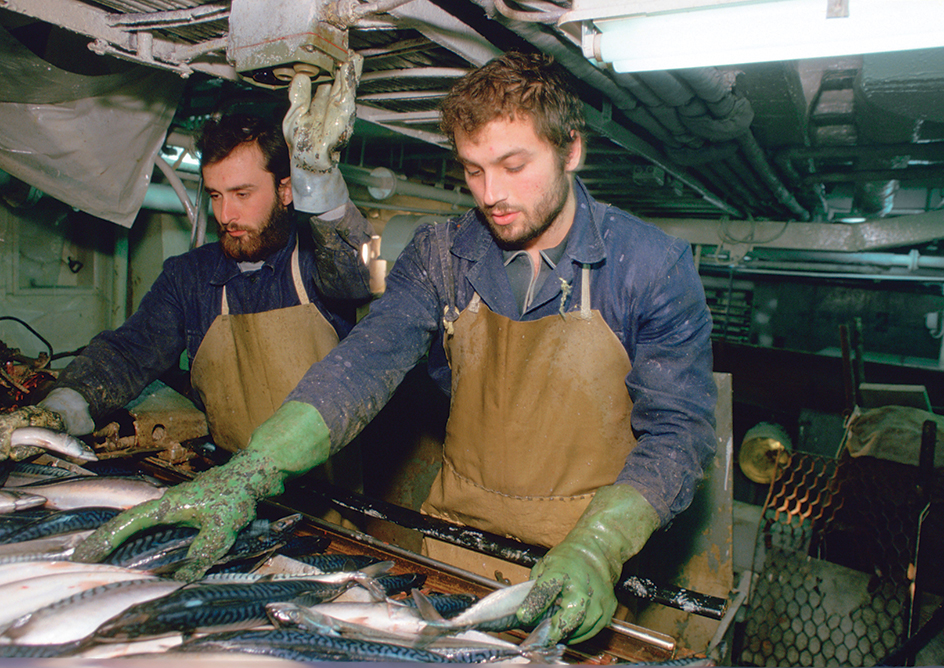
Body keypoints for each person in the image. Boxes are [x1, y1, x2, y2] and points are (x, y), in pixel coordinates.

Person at [74, 52, 718, 645]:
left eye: (514, 166)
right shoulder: (442, 254)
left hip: (578, 560)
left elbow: (680, 433)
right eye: (473, 169)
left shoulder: (649, 268)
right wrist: (252, 472)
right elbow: (365, 362)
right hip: (452, 542)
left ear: (570, 149)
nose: (491, 194)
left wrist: (599, 546)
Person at [0, 57, 372, 462]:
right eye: (215, 195)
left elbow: (356, 278)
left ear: (286, 192)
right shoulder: (189, 277)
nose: (225, 214)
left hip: (327, 494)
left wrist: (326, 195)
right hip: (226, 483)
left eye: (242, 194)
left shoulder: (316, 262)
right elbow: (131, 351)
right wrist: (64, 407)